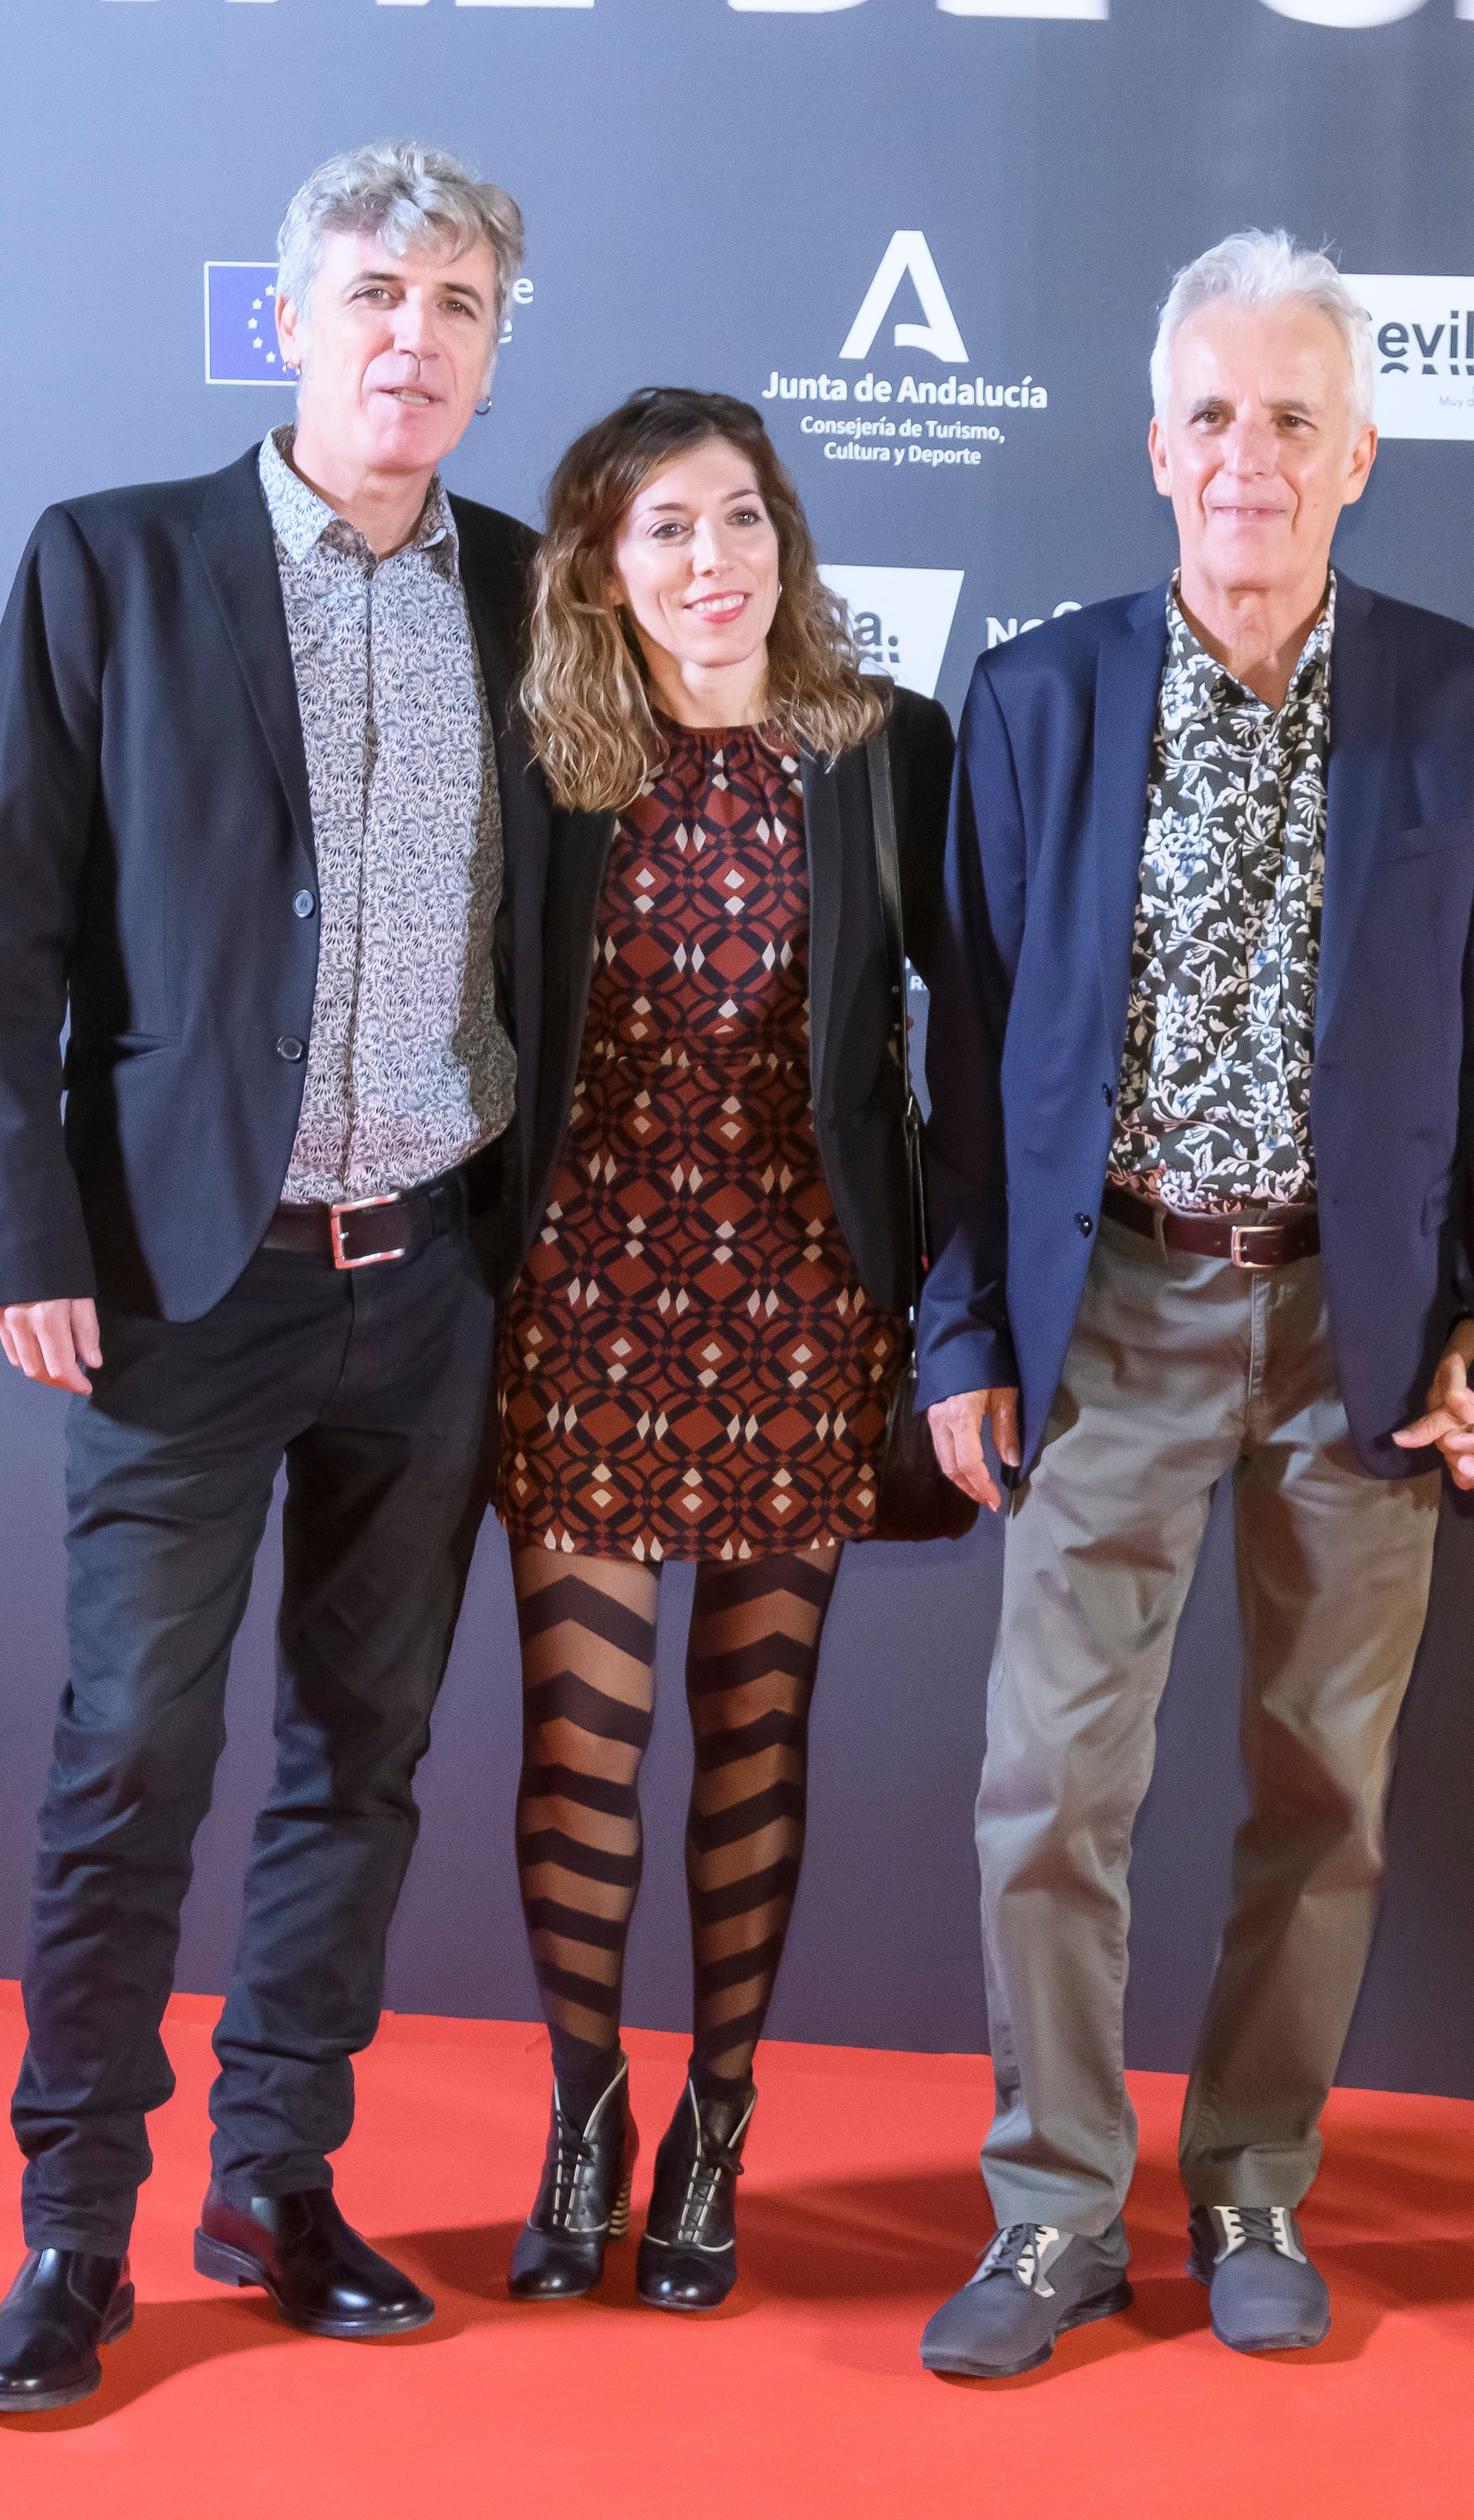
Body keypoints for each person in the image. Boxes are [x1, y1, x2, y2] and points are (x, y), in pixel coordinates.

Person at [0, 143, 586, 2413]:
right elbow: (10, 921)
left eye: (462, 306)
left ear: (500, 358)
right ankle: (72, 2232)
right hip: (179, 1279)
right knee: (132, 1750)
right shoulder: (113, 563)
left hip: (428, 1277)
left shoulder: (533, 596)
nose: (417, 335)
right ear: (289, 321)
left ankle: (279, 2181)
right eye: (380, 292)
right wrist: (26, 1224)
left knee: (364, 1752)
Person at [909, 229, 1474, 2378]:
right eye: (1211, 416)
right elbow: (973, 1056)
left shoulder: (1465, 706)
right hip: (1106, 1302)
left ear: (1360, 453)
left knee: (1326, 1795)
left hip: (1357, 1336)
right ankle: (1054, 2215)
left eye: (1292, 420)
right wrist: (964, 1333)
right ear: (1153, 447)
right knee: (1049, 1794)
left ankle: (1261, 2182)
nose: (1248, 459)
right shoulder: (1035, 701)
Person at [491, 391, 954, 2311]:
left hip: (800, 1308)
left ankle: (722, 2125)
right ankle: (584, 2117)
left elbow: (989, 1037)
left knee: (757, 1735)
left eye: (744, 521)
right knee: (581, 1744)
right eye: (668, 528)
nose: (714, 563)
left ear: (789, 542)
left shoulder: (877, 752)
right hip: (583, 1306)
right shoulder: (545, 764)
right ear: (604, 563)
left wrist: (957, 1307)